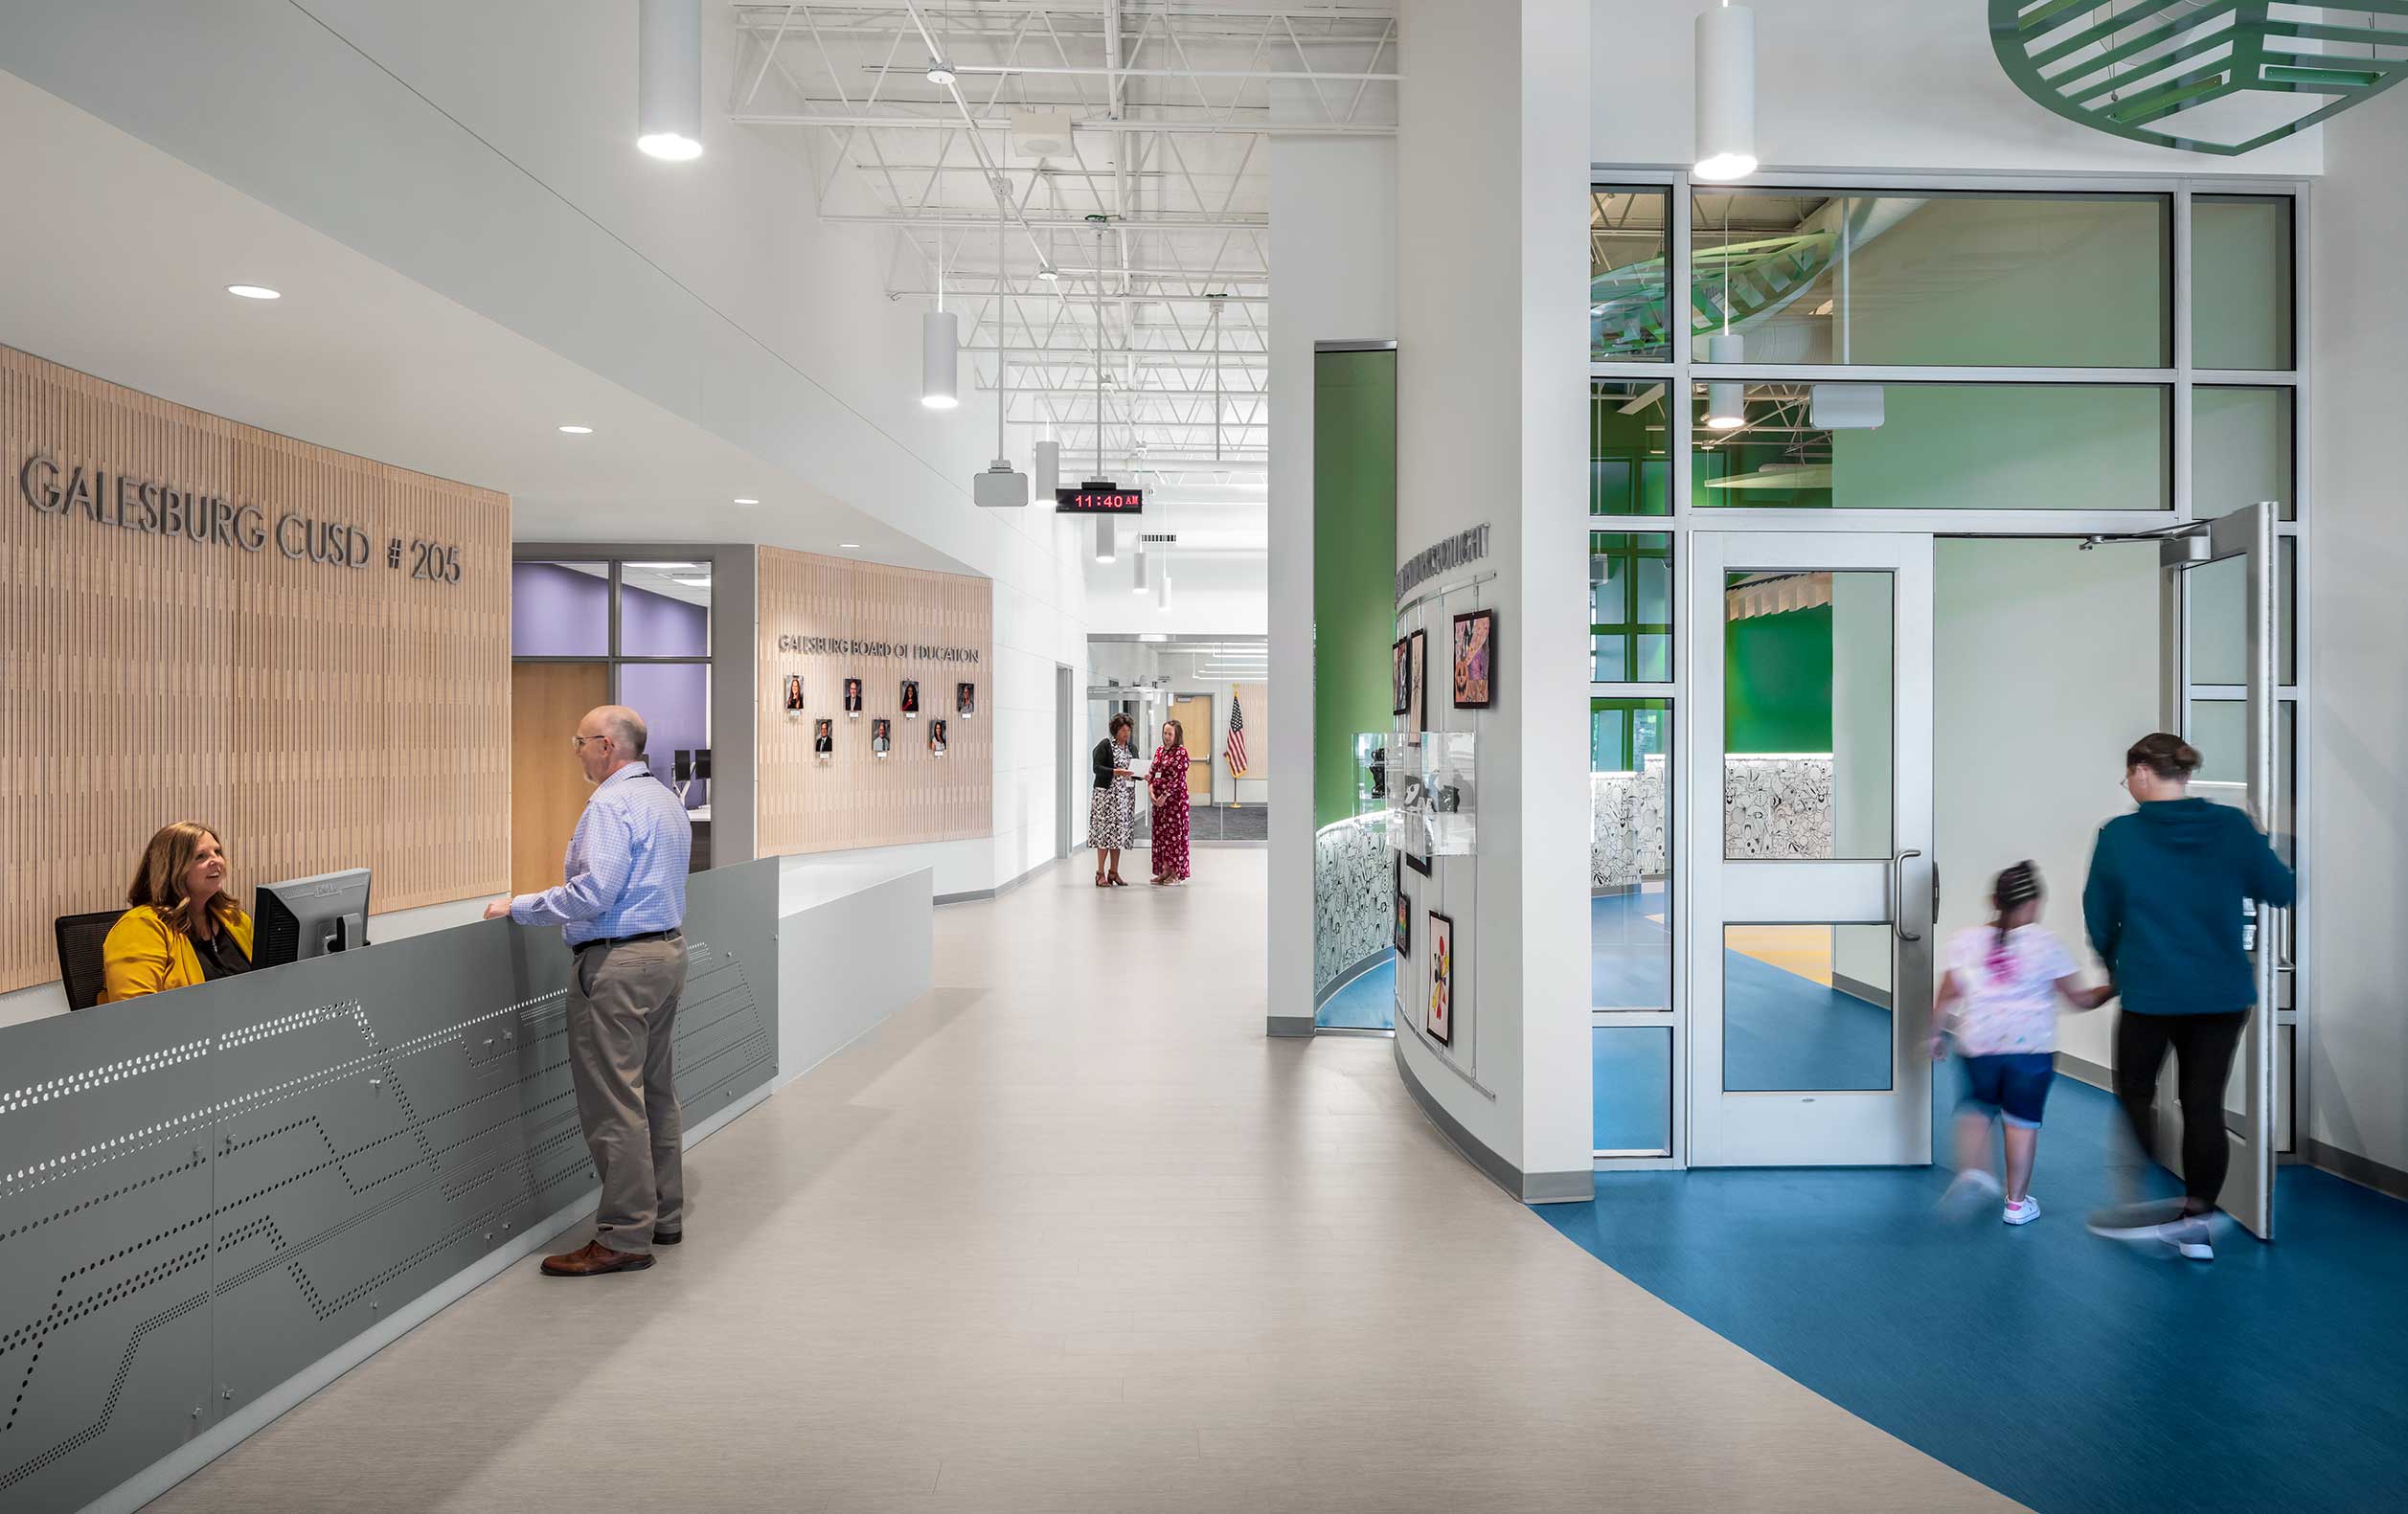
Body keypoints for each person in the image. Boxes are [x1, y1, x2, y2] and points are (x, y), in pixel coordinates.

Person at [485, 705, 693, 1277]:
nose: (575, 751)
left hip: (619, 966)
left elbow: (593, 893)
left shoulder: (610, 804)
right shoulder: (663, 799)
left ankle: (625, 1234)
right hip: (666, 955)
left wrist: (521, 906)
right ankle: (664, 1214)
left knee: (615, 1103)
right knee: (655, 1092)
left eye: (580, 741)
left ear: (606, 746)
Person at [2082, 733, 2294, 1261]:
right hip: (2222, 994)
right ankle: (2196, 1222)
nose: (2128, 785)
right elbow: (2281, 890)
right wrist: (2260, 839)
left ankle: (2155, 1199)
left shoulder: (2120, 836)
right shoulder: (2230, 827)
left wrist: (2115, 967)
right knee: (2203, 1105)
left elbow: (2098, 917)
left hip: (2151, 992)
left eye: (2128, 775)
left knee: (2135, 1090)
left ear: (2142, 773)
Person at [1932, 862, 2111, 1225]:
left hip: (1978, 1046)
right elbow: (2080, 999)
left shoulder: (1966, 941)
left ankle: (1974, 1171)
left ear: (1995, 900)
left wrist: (1934, 1034)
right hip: (2031, 1051)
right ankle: (2016, 1205)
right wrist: (2116, 986)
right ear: (2035, 904)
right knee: (2021, 1123)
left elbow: (1948, 994)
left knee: (1976, 1108)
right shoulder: (2047, 945)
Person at [100, 822, 256, 1002]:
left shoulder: (234, 918)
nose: (217, 861)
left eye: (217, 852)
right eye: (200, 856)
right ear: (172, 868)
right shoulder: (140, 927)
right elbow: (135, 1015)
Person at [1089, 714, 1137, 888]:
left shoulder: (1131, 747)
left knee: (1118, 836)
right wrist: (1115, 772)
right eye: (1123, 730)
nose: (1126, 734)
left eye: (1128, 730)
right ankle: (1100, 873)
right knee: (1104, 835)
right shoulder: (1105, 745)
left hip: (1124, 798)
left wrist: (1143, 774)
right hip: (1106, 797)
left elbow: (1134, 768)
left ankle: (1113, 872)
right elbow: (1097, 768)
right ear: (1115, 731)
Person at [1147, 717, 1193, 886]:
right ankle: (1164, 870)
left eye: (1170, 734)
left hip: (1175, 802)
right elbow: (1152, 773)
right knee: (1161, 836)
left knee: (1174, 837)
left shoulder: (1181, 753)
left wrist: (1164, 796)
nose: (1167, 736)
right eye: (1165, 733)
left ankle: (1175, 873)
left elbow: (1178, 779)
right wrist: (1151, 791)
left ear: (1176, 735)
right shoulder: (1159, 751)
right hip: (1158, 804)